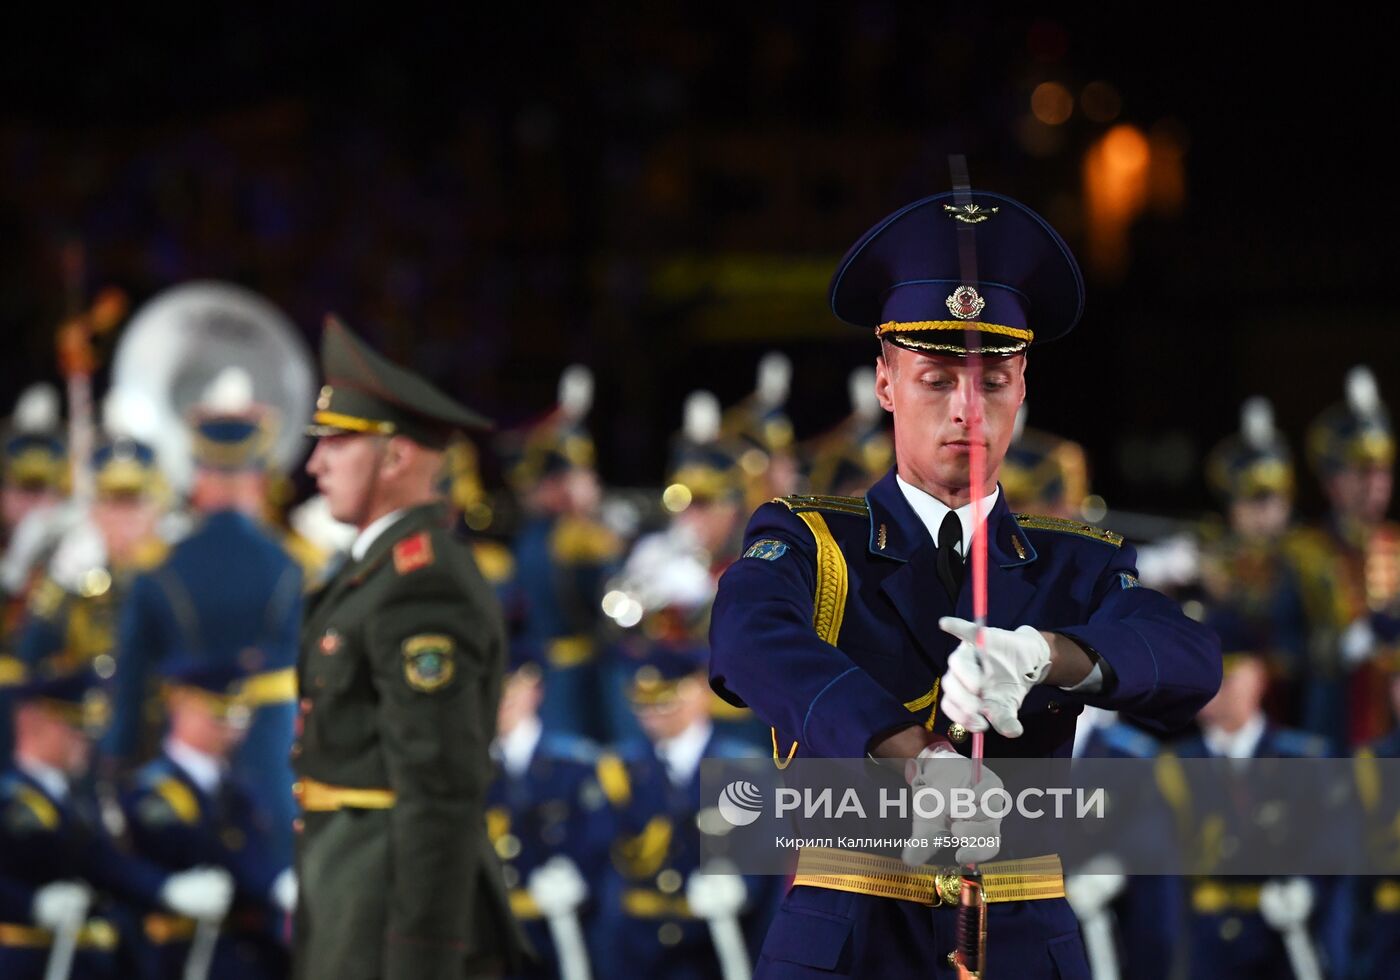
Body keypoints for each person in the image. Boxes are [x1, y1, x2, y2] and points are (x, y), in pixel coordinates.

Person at [709, 189, 1221, 978]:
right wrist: (914, 754)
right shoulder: (811, 539)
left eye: (991, 382)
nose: (966, 412)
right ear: (885, 384)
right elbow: (748, 641)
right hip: (853, 934)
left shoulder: (1073, 563)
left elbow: (1186, 656)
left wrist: (1048, 654)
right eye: (936, 380)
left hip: (1020, 939)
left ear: (1023, 388)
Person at [293, 316, 528, 978]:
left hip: (390, 908)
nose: (315, 464)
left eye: (337, 444)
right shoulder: (377, 572)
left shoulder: (422, 585)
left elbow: (438, 788)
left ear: (394, 457)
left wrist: (423, 954)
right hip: (352, 890)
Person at [105, 378, 304, 866]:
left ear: (197, 476)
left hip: (179, 785)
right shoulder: (297, 567)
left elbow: (128, 696)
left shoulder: (157, 572)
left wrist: (114, 774)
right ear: (259, 477)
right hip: (274, 780)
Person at [0, 662, 234, 979]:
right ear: (32, 723)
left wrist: (166, 888)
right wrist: (30, 904)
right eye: (74, 727)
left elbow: (105, 863)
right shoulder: (10, 798)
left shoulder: (80, 800)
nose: (85, 740)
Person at [594, 645, 775, 980]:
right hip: (640, 949)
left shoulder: (745, 769)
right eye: (644, 702)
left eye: (665, 698)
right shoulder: (619, 769)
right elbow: (606, 864)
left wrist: (743, 886)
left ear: (698, 692)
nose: (652, 712)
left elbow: (767, 860)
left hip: (717, 948)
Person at [121, 660, 295, 980]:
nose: (232, 728)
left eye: (238, 716)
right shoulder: (151, 790)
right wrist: (166, 888)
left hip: (246, 950)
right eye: (218, 714)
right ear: (182, 706)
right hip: (178, 954)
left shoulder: (240, 789)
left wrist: (275, 883)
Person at [1285, 367, 1400, 747]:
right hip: (1332, 721)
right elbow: (1285, 645)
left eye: (1382, 471)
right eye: (1362, 472)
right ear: (1332, 481)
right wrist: (1345, 644)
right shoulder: (1302, 551)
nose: (1376, 484)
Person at [486, 644, 611, 979]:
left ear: (535, 687)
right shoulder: (471, 771)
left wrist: (581, 878)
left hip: (571, 929)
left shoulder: (575, 763)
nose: (501, 696)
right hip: (496, 934)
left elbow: (604, 842)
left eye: (512, 683)